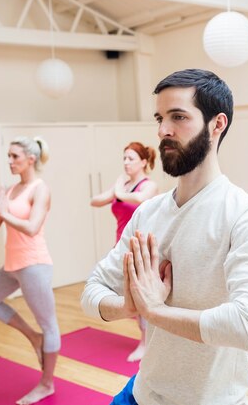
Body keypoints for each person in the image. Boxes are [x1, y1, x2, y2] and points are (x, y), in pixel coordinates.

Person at [81, 68, 248, 405]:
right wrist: (129, 305)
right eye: (160, 118)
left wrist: (155, 312)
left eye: (178, 117)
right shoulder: (148, 213)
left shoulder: (244, 213)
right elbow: (92, 292)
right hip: (141, 392)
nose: (163, 131)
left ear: (217, 125)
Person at [0, 136, 59, 405]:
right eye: (8, 157)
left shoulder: (40, 188)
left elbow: (33, 227)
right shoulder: (11, 190)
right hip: (12, 264)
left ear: (30, 159)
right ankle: (32, 337)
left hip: (34, 265)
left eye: (15, 157)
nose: (10, 162)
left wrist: (5, 213)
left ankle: (46, 384)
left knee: (49, 325)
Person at [90, 141, 158, 362]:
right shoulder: (123, 186)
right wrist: (116, 190)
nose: (126, 163)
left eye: (131, 158)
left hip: (141, 249)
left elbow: (140, 199)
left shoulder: (148, 185)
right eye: (124, 158)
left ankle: (146, 344)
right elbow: (96, 201)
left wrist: (118, 191)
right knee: (127, 296)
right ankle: (149, 337)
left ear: (144, 162)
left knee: (140, 296)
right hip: (121, 247)